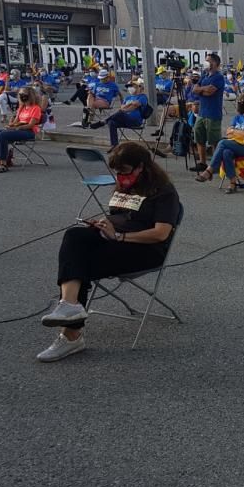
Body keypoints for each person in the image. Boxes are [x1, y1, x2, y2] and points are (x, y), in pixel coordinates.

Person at [37, 142, 180, 362]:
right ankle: (69, 306)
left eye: (124, 171)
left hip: (144, 249)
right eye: (117, 172)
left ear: (141, 167)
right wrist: (104, 225)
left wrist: (120, 236)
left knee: (80, 263)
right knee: (74, 236)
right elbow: (119, 215)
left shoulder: (164, 191)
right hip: (115, 238)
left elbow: (161, 234)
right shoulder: (127, 185)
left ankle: (71, 335)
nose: (120, 176)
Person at [195, 94, 244, 193]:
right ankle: (232, 183)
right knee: (226, 152)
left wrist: (237, 132)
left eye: (243, 102)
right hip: (235, 144)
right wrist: (242, 134)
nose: (240, 104)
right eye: (239, 102)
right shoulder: (237, 117)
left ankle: (210, 170)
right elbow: (228, 132)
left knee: (222, 142)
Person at [0, 87, 42, 172]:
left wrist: (16, 128)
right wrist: (10, 125)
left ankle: (3, 163)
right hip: (18, 129)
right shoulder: (22, 108)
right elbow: (15, 121)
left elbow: (31, 125)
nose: (21, 96)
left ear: (30, 95)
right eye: (20, 94)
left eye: (24, 94)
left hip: (29, 131)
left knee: (3, 135)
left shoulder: (36, 108)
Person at [90, 79, 149, 151]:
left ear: (138, 87)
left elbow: (135, 105)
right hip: (124, 119)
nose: (130, 88)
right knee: (112, 122)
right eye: (128, 87)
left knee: (120, 113)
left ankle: (104, 121)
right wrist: (130, 104)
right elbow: (122, 107)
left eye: (131, 86)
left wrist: (126, 108)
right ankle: (114, 145)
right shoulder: (128, 97)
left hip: (135, 121)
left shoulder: (142, 97)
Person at [191, 53, 225, 173]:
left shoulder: (218, 77)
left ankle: (215, 165)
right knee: (199, 138)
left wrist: (200, 90)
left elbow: (210, 92)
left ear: (215, 63)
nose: (205, 62)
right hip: (202, 112)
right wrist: (203, 89)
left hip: (213, 114)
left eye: (208, 60)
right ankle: (202, 162)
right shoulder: (204, 75)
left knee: (214, 141)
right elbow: (194, 89)